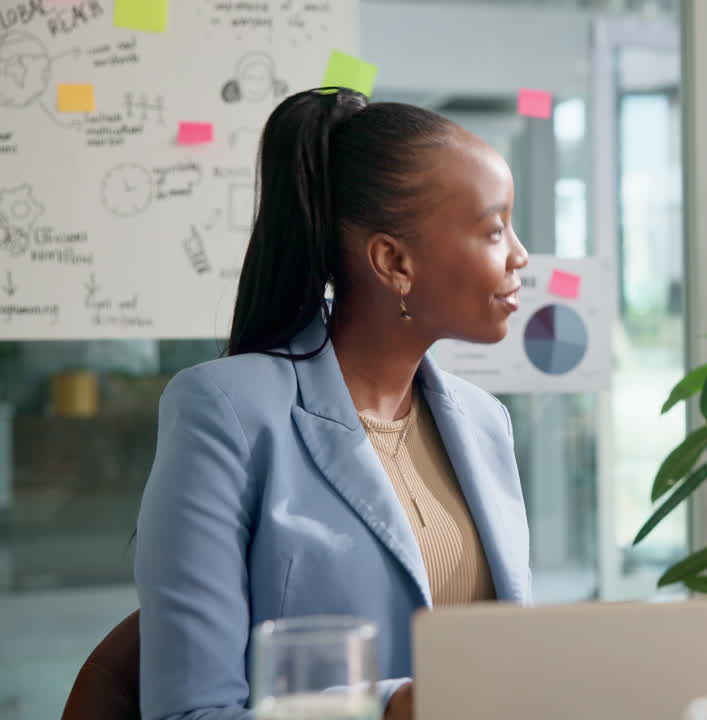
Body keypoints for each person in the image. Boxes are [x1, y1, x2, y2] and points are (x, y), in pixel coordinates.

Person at [134, 87, 532, 720]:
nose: (519, 254)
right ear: (393, 261)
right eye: (493, 229)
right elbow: (191, 712)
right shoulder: (224, 413)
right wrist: (389, 707)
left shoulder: (486, 423)